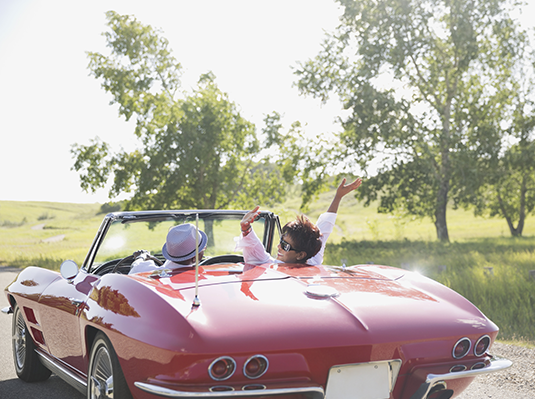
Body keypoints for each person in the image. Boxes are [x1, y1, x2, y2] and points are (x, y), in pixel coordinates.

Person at [236, 177, 362, 265]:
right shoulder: (314, 261)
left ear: (301, 255)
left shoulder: (269, 265)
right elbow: (325, 226)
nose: (278, 247)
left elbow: (256, 251)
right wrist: (338, 197)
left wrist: (246, 230)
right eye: (281, 241)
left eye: (285, 246)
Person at [128, 223, 208, 274]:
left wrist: (141, 256)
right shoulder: (202, 277)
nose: (205, 249)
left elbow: (136, 266)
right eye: (203, 248)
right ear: (194, 258)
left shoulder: (149, 271)